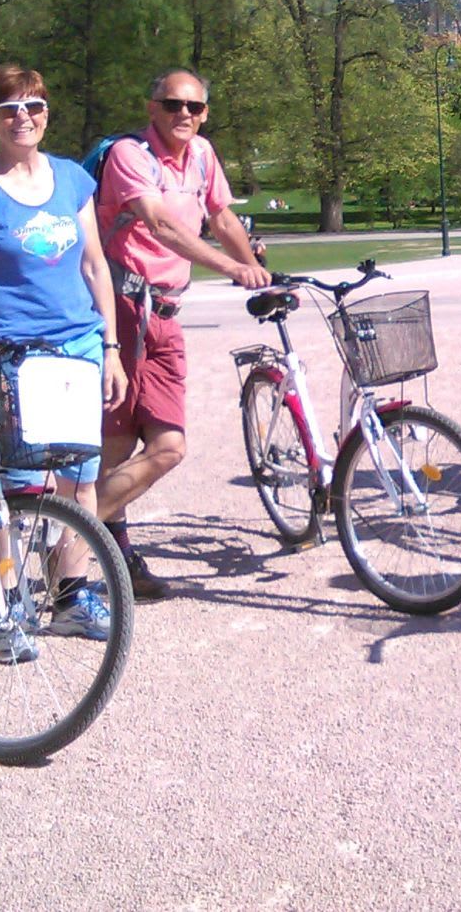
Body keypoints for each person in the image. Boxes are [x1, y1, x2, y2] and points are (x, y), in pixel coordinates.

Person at [0, 63, 127, 644]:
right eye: (10, 109)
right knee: (17, 485)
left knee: (79, 478)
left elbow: (96, 265)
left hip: (78, 346)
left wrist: (112, 346)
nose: (24, 117)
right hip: (13, 353)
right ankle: (6, 607)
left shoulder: (73, 179)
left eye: (35, 106)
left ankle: (71, 597)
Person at [95, 67, 269, 599]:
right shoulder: (131, 156)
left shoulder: (203, 155)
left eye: (194, 106)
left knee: (168, 444)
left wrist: (263, 270)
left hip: (165, 315)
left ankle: (71, 529)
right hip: (123, 308)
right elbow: (161, 225)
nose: (184, 115)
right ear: (153, 108)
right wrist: (231, 269)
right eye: (173, 105)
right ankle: (102, 548)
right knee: (118, 441)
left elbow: (220, 216)